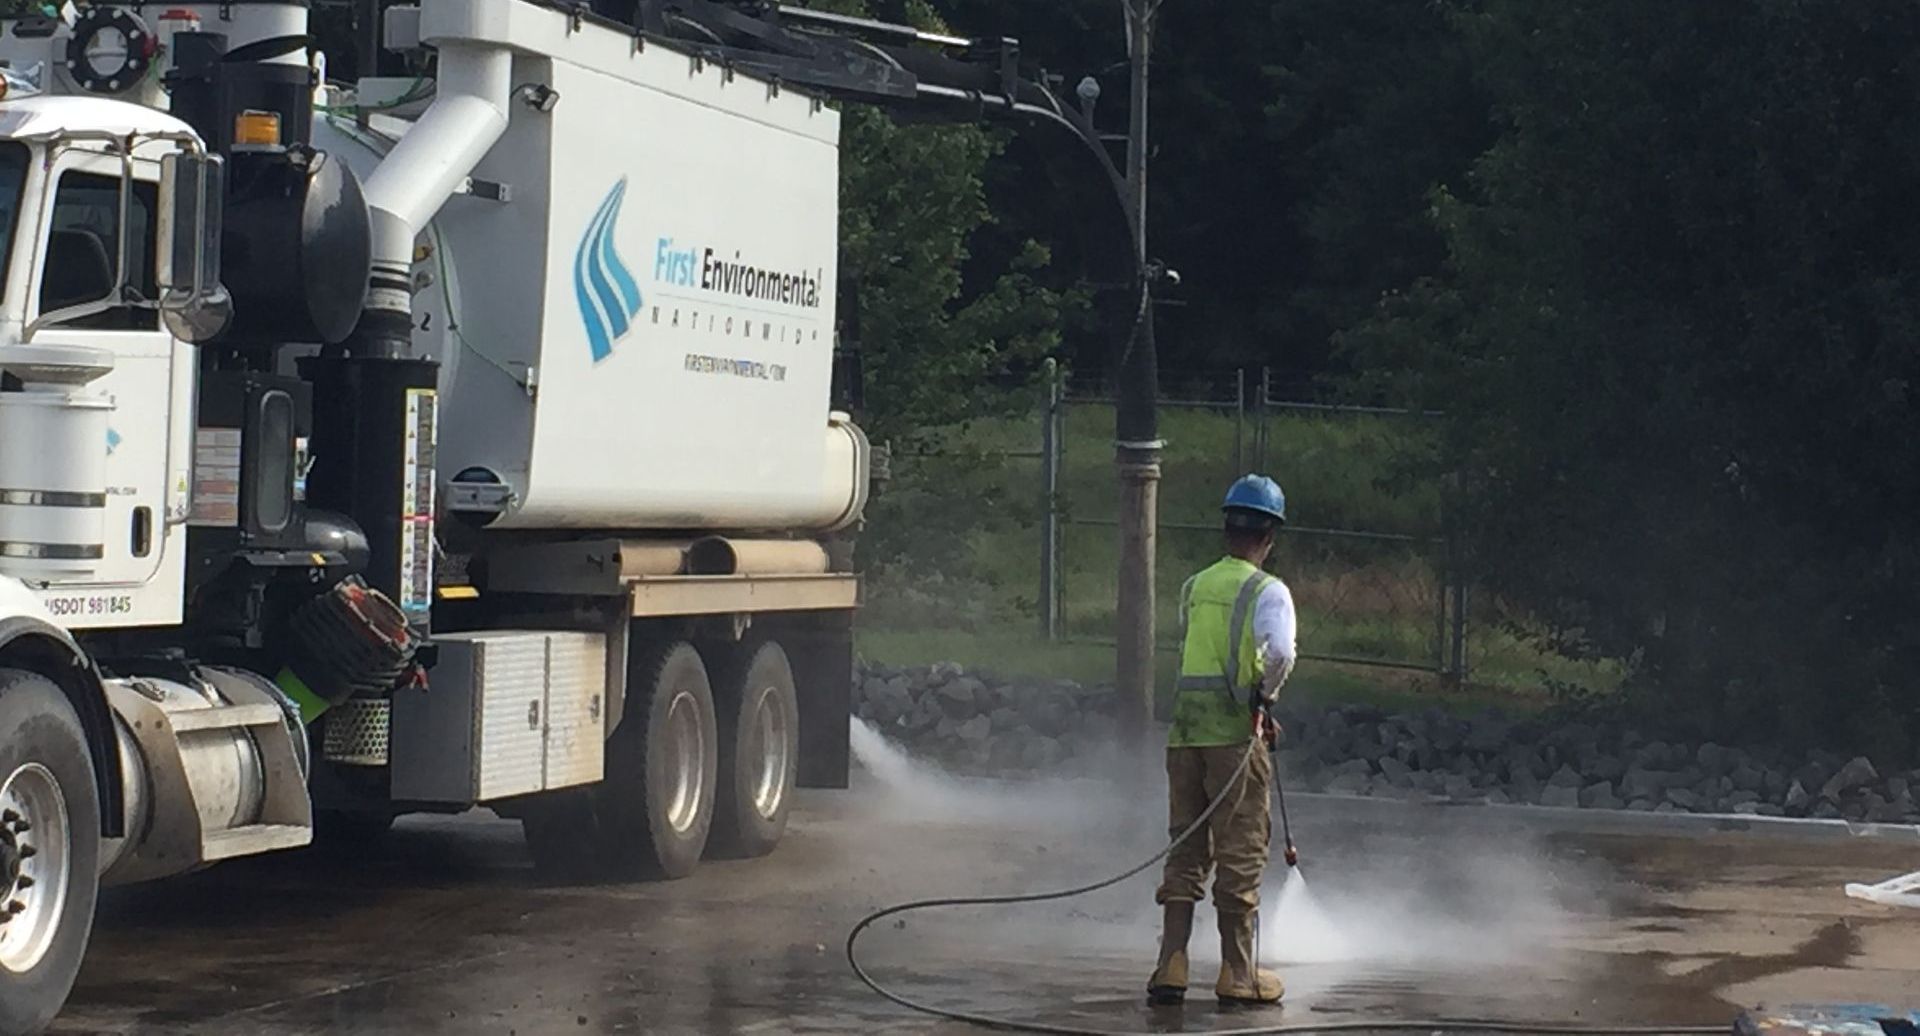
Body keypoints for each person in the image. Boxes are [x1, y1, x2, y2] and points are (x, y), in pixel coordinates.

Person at [1147, 474, 1295, 1007]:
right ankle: (1237, 972)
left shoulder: (1195, 586)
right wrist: (1264, 700)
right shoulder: (1267, 590)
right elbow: (1278, 654)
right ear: (1270, 534)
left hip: (1185, 734)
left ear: (1227, 527)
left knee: (1185, 845)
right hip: (1234, 736)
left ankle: (1171, 965)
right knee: (1241, 851)